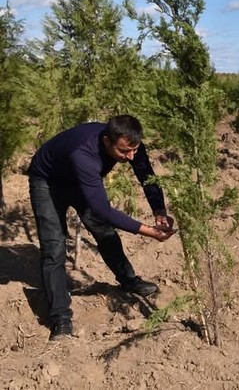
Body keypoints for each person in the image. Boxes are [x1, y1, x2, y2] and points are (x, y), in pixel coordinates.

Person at [27, 115, 176, 341]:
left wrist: (159, 211)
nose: (131, 156)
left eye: (134, 150)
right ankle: (60, 319)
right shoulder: (83, 154)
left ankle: (128, 280)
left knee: (104, 231)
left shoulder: (130, 144)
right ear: (107, 141)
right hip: (47, 182)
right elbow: (102, 210)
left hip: (81, 181)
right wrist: (149, 232)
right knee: (54, 248)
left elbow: (146, 175)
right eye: (124, 152)